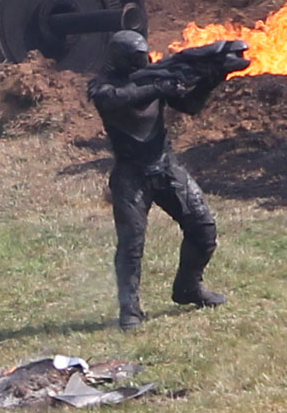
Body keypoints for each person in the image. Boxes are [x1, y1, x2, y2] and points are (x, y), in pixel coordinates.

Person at [87, 30, 247, 330]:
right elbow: (116, 100)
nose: (143, 61)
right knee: (131, 244)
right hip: (130, 174)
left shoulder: (153, 76)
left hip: (165, 165)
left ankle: (188, 288)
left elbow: (190, 106)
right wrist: (159, 86)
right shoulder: (104, 86)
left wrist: (213, 77)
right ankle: (130, 310)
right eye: (136, 58)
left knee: (203, 229)